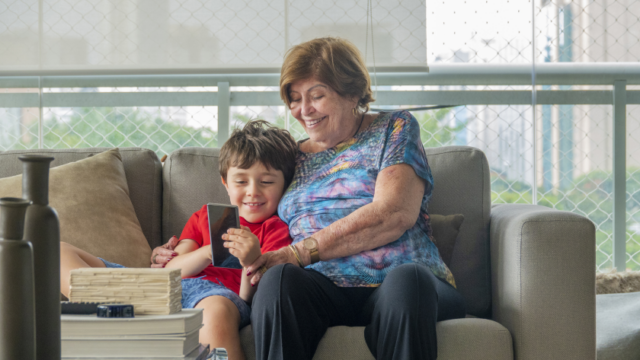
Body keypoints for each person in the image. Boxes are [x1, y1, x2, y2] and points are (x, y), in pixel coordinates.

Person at [153, 37, 467, 360]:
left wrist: (299, 252)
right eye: (295, 99)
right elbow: (250, 203)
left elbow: (393, 214)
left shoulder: (394, 128)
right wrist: (172, 254)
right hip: (322, 289)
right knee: (277, 281)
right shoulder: (290, 157)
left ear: (353, 92)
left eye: (317, 95)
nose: (304, 110)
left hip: (401, 283)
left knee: (408, 280)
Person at [60, 120, 298, 360]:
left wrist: (251, 261)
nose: (253, 191)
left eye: (266, 182)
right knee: (57, 252)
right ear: (225, 183)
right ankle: (110, 306)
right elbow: (172, 269)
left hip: (217, 296)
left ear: (284, 186)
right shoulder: (205, 217)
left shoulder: (276, 230)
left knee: (215, 313)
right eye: (241, 181)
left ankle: (121, 314)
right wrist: (208, 252)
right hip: (163, 288)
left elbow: (253, 298)